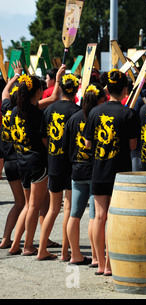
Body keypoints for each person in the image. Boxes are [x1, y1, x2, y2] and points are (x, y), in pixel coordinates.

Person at [83, 69, 140, 275]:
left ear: (107, 89)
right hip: (121, 173)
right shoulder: (129, 113)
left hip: (99, 169)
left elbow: (88, 143)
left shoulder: (95, 112)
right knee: (114, 218)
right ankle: (109, 264)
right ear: (125, 89)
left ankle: (99, 263)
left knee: (99, 217)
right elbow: (133, 146)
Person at [8, 70, 62, 256]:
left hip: (21, 161)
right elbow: (45, 142)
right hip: (37, 163)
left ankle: (16, 244)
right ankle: (28, 246)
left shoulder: (15, 111)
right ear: (38, 93)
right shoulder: (38, 114)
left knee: (28, 205)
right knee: (33, 206)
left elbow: (51, 98)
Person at [37, 73, 81, 261]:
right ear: (77, 90)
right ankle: (65, 252)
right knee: (68, 208)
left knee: (53, 209)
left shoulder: (49, 109)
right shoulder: (78, 112)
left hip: (53, 161)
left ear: (61, 88)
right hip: (70, 164)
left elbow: (44, 137)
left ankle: (41, 249)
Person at [65, 83, 107, 267]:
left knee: (74, 214)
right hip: (94, 169)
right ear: (98, 100)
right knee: (93, 216)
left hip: (77, 169)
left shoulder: (73, 119)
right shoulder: (99, 118)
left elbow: (66, 146)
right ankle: (97, 257)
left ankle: (75, 254)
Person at [0, 64, 25, 249]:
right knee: (31, 205)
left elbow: (4, 93)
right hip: (23, 162)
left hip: (8, 163)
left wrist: (15, 77)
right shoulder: (25, 113)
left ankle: (6, 238)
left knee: (19, 203)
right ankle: (19, 241)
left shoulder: (6, 109)